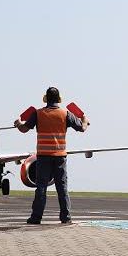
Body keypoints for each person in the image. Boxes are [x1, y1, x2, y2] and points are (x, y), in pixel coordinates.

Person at [14, 87, 88, 224]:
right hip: (60, 156)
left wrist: (18, 123)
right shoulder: (65, 113)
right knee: (62, 188)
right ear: (59, 99)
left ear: (46, 99)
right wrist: (84, 119)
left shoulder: (38, 113)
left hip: (43, 156)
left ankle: (36, 217)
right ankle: (65, 218)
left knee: (41, 188)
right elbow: (82, 128)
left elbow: (23, 129)